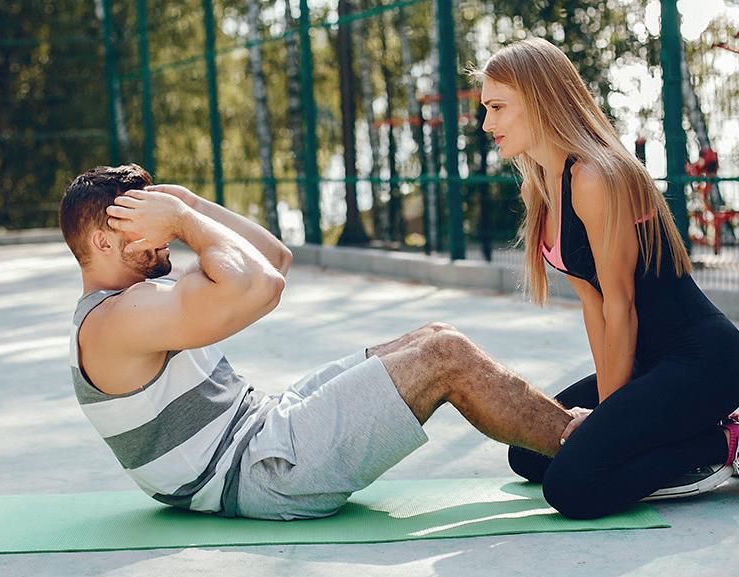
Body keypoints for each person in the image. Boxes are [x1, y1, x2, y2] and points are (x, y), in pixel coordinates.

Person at [60, 164, 583, 521]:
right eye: (139, 225)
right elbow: (262, 285)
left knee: (435, 337)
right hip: (258, 470)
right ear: (103, 241)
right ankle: (588, 447)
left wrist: (190, 204)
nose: (161, 237)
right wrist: (184, 221)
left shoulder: (137, 302)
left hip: (261, 429)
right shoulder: (112, 322)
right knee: (446, 358)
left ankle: (564, 436)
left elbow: (274, 258)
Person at [476, 38, 739, 518]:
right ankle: (686, 433)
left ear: (539, 98)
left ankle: (732, 441)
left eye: (497, 107)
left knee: (572, 488)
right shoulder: (541, 187)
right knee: (529, 453)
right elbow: (593, 304)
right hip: (648, 364)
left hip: (703, 362)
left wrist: (605, 416)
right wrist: (609, 416)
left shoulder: (595, 177)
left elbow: (621, 305)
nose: (487, 124)